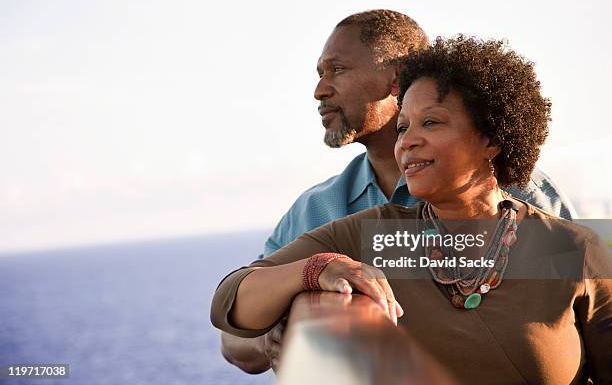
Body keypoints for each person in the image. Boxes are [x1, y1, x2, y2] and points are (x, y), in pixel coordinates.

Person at [212, 36, 612, 384]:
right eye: (403, 127)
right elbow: (230, 300)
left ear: (491, 138)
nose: (407, 143)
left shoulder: (571, 248)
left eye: (431, 123)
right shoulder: (372, 234)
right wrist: (316, 268)